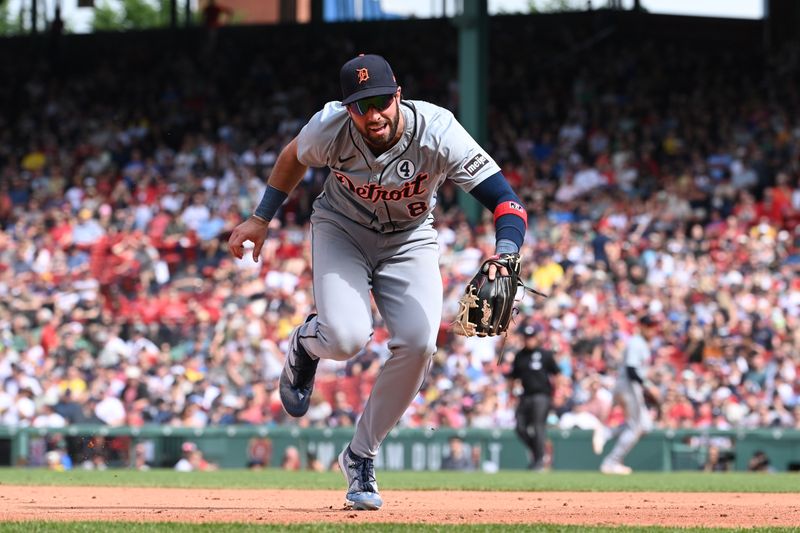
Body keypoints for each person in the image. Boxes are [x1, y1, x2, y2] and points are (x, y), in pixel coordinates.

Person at [228, 54, 529, 510]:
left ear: (398, 95)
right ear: (348, 108)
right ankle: (308, 345)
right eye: (361, 106)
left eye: (381, 101)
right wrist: (260, 217)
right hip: (342, 230)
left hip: (409, 239)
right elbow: (292, 156)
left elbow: (507, 201)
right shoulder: (328, 127)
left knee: (419, 343)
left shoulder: (438, 130)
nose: (374, 115)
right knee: (347, 338)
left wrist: (507, 253)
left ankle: (360, 456)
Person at [593, 315, 658, 474]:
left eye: (654, 326)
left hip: (628, 386)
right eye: (649, 326)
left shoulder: (641, 343)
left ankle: (606, 433)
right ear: (641, 326)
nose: (652, 330)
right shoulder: (636, 342)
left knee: (645, 426)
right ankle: (611, 462)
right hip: (628, 386)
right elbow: (631, 369)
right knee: (636, 427)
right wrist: (649, 386)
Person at [506, 324, 560, 471]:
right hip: (525, 396)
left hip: (542, 395)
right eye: (527, 337)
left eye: (531, 337)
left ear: (536, 338)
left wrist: (557, 393)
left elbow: (557, 374)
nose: (529, 340)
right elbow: (513, 377)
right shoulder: (520, 356)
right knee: (520, 427)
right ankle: (539, 454)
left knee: (538, 427)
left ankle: (539, 461)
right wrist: (511, 394)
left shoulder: (545, 354)